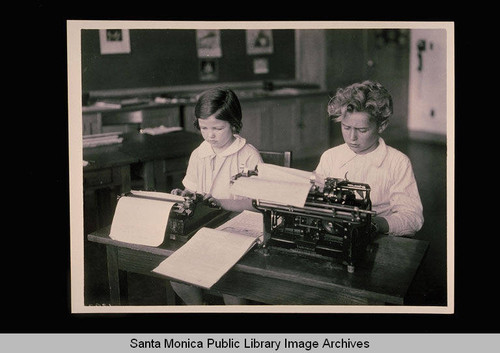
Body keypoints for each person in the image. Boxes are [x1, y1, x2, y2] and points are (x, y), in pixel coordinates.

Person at [170, 87, 263, 305]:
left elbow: (257, 204)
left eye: (218, 128)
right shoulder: (199, 153)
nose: (210, 135)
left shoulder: (248, 155)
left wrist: (222, 202)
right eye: (204, 128)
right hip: (205, 225)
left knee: (227, 279)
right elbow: (194, 189)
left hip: (239, 227)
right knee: (177, 275)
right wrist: (186, 195)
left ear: (234, 124)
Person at [315, 80, 423, 236]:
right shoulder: (330, 156)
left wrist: (371, 225)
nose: (352, 137)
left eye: (362, 130)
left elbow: (412, 217)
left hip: (378, 236)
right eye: (346, 127)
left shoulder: (398, 162)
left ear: (382, 126)